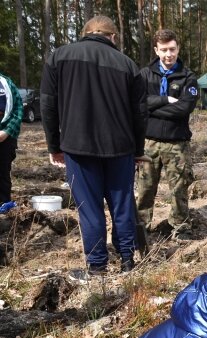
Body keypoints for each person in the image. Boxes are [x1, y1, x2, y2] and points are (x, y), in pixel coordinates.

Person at [40, 15, 147, 279]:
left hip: (78, 147)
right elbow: (140, 113)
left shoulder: (59, 57)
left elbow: (48, 105)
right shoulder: (128, 65)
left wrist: (54, 145)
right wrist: (137, 150)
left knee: (90, 209)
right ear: (113, 37)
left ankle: (97, 267)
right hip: (120, 148)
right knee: (122, 206)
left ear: (85, 34)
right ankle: (127, 261)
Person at [136, 29, 199, 239]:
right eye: (163, 50)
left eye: (172, 49)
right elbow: (138, 104)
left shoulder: (188, 78)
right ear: (156, 50)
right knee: (145, 188)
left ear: (178, 48)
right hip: (149, 142)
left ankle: (181, 227)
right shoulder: (145, 75)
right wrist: (164, 100)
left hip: (177, 143)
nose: (168, 54)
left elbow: (183, 109)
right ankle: (141, 226)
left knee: (179, 189)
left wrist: (152, 108)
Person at [0, 72, 23, 214]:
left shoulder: (6, 83)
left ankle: (4, 205)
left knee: (2, 172)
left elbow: (18, 108)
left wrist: (6, 131)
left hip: (4, 136)